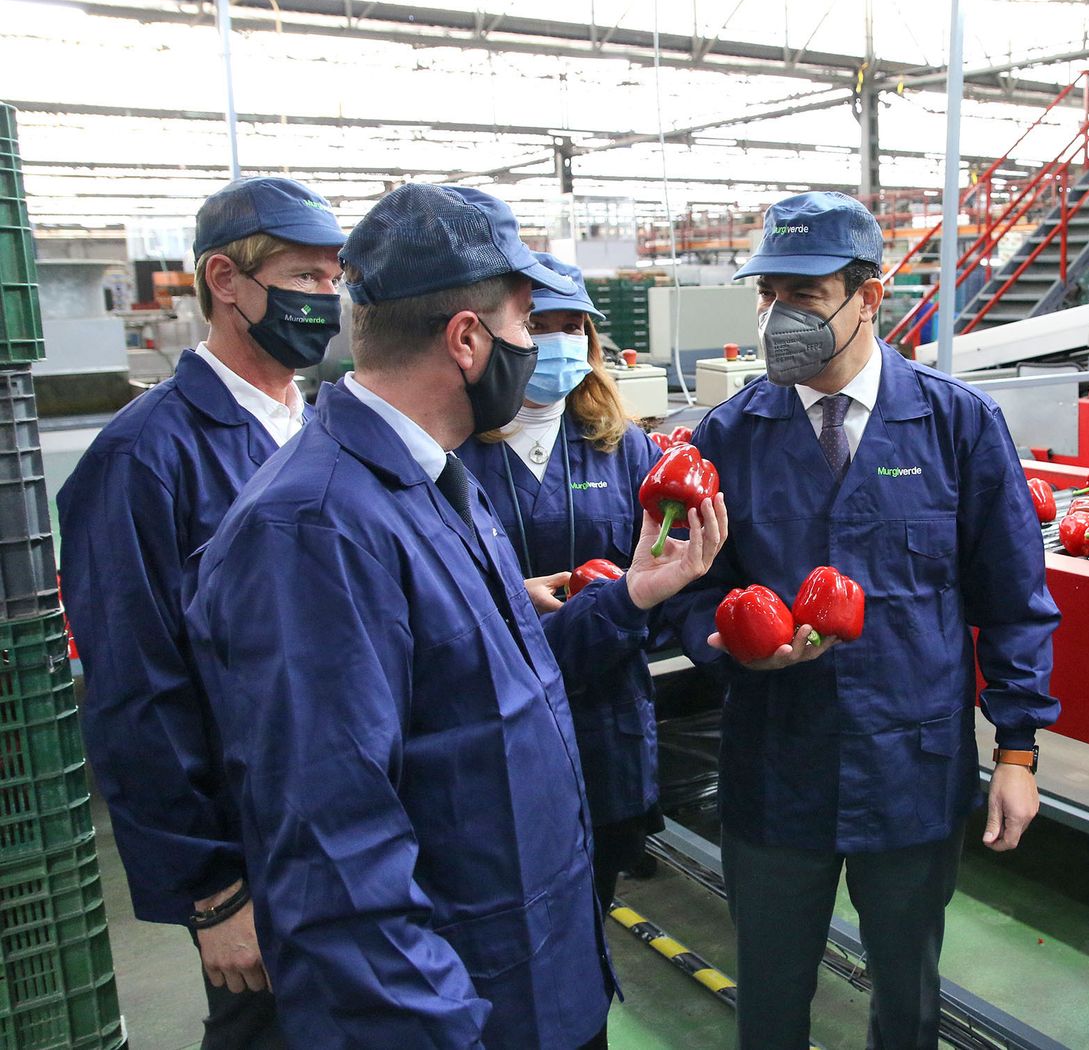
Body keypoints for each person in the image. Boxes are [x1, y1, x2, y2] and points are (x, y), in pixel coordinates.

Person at [185, 183, 727, 1048]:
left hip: (535, 978)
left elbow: (485, 684)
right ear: (468, 339)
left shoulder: (434, 483)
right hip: (463, 1008)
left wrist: (633, 594)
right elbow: (338, 853)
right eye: (524, 325)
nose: (538, 349)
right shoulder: (315, 531)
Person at [665, 191, 1062, 1050]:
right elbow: (691, 589)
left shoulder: (958, 427)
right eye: (767, 294)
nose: (778, 319)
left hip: (909, 772)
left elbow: (1013, 600)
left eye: (803, 297)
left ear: (870, 297)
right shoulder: (730, 436)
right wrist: (726, 644)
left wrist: (1019, 752)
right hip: (776, 770)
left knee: (908, 1001)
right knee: (769, 1001)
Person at [57, 176, 346, 1049]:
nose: (325, 300)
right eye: (304, 276)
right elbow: (135, 692)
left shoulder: (324, 427)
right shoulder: (146, 457)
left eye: (335, 280)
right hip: (253, 845)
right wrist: (212, 892)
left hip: (346, 816)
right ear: (226, 280)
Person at [458, 253, 664, 909]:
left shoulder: (622, 444)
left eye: (575, 327)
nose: (561, 343)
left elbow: (658, 572)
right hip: (494, 716)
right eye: (541, 323)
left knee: (591, 902)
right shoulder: (453, 448)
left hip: (602, 715)